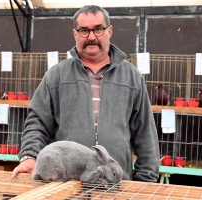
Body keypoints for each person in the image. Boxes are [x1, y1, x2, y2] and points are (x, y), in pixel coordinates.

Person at [12, 5, 160, 182]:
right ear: (75, 34)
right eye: (84, 30)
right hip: (66, 186)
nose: (91, 37)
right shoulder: (57, 75)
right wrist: (30, 156)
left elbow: (145, 135)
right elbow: (37, 122)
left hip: (115, 187)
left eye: (98, 29)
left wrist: (146, 181)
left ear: (109, 31)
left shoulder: (131, 77)